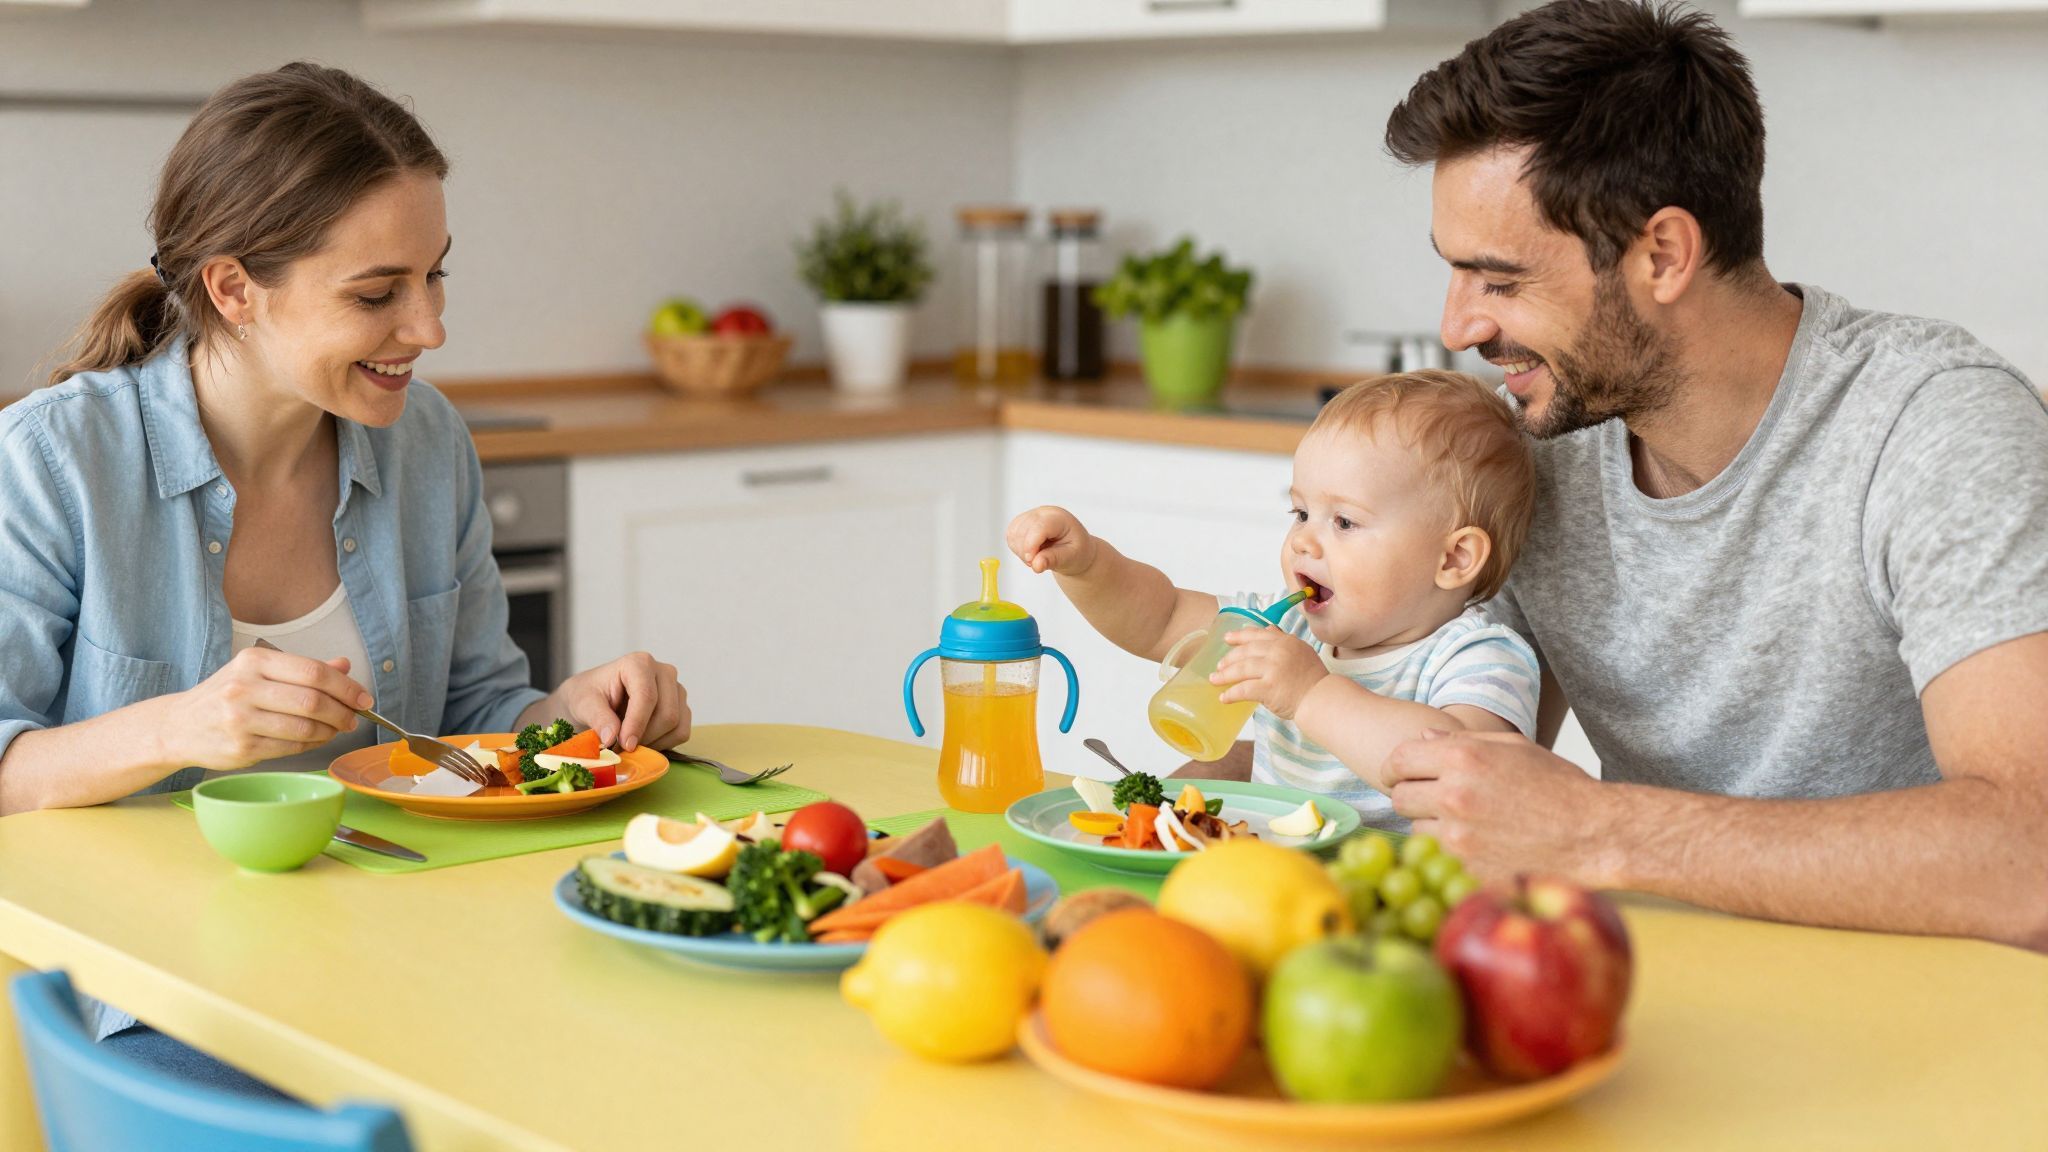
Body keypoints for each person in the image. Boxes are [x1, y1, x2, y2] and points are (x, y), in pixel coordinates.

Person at [0, 62, 692, 1074]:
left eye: (434, 276)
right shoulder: (53, 460)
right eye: (378, 294)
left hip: (407, 951)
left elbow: (471, 712)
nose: (429, 329)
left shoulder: (426, 442)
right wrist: (177, 728)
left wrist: (567, 719)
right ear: (234, 289)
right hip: (149, 999)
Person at [1378, 0, 2048, 949]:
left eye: (1501, 280)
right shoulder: (1542, 445)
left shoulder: (1934, 425)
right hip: (1656, 996)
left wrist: (1605, 834)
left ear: (1663, 254)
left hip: (1932, 1021)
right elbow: (1462, 760)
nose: (1460, 327)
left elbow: (2032, 859)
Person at [1008, 371, 1541, 830]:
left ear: (1453, 559)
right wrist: (1090, 565)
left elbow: (1460, 769)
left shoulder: (1480, 657)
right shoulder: (1285, 630)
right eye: (1300, 513)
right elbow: (1162, 617)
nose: (1304, 541)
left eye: (1345, 521)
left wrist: (1310, 695)